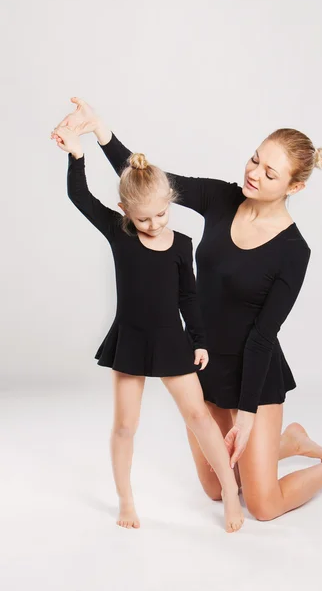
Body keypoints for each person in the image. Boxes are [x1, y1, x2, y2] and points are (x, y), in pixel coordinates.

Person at [52, 98, 322, 523]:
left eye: (270, 173)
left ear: (295, 187)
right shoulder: (221, 197)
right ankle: (289, 442)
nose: (253, 173)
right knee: (215, 489)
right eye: (254, 159)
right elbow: (150, 181)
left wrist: (247, 416)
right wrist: (100, 131)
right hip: (205, 362)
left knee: (263, 505)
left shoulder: (293, 251)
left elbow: (264, 335)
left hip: (254, 372)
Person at [52, 123, 244, 533]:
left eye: (161, 213)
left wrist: (199, 340)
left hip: (171, 341)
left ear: (169, 202)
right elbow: (79, 196)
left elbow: (188, 297)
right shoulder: (118, 232)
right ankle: (126, 499)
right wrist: (76, 154)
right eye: (143, 218)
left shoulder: (181, 245)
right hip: (132, 341)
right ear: (124, 212)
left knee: (198, 416)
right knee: (124, 426)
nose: (155, 223)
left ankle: (229, 489)